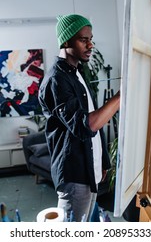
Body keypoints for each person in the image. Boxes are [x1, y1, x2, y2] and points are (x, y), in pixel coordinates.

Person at [38, 14, 120, 222]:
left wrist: (102, 162)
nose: (90, 45)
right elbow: (87, 125)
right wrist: (121, 96)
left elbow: (95, 125)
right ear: (66, 41)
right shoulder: (56, 80)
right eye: (84, 40)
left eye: (91, 39)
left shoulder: (77, 73)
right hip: (74, 174)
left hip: (88, 170)